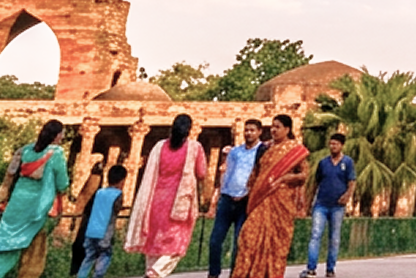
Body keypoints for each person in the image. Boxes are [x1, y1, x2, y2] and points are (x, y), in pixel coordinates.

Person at [124, 113, 210, 278]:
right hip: (179, 202)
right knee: (176, 244)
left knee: (155, 241)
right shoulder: (194, 147)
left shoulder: (159, 146)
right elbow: (201, 173)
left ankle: (150, 271)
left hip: (156, 199)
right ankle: (156, 272)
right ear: (189, 130)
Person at [0, 119, 71, 278]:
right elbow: (62, 182)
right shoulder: (56, 153)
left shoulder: (25, 150)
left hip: (16, 202)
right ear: (57, 135)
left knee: (8, 241)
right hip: (38, 206)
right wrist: (64, 193)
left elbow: (11, 173)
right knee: (35, 247)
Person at [233, 115, 311, 278]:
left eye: (278, 127)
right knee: (248, 236)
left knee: (276, 242)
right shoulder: (265, 148)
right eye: (272, 127)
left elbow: (304, 175)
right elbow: (256, 172)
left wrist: (285, 178)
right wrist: (248, 190)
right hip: (261, 199)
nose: (273, 130)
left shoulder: (294, 150)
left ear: (287, 130)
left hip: (281, 201)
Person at [208, 119, 266, 278]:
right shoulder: (235, 152)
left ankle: (235, 273)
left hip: (246, 200)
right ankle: (213, 273)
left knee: (239, 243)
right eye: (246, 130)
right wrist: (218, 197)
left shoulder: (262, 151)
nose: (249, 133)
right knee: (215, 240)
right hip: (227, 198)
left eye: (252, 130)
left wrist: (249, 194)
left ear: (259, 132)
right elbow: (226, 175)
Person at [305, 132, 355, 278]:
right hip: (321, 204)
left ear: (341, 145)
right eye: (331, 144)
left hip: (337, 206)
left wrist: (347, 196)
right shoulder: (323, 163)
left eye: (335, 144)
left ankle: (330, 269)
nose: (332, 147)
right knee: (315, 235)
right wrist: (309, 202)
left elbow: (352, 182)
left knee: (334, 238)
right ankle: (311, 268)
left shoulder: (348, 162)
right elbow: (316, 183)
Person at [74, 165, 126, 278]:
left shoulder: (99, 192)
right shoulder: (118, 194)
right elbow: (116, 209)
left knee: (88, 258)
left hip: (91, 231)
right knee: (104, 256)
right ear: (122, 181)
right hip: (105, 234)